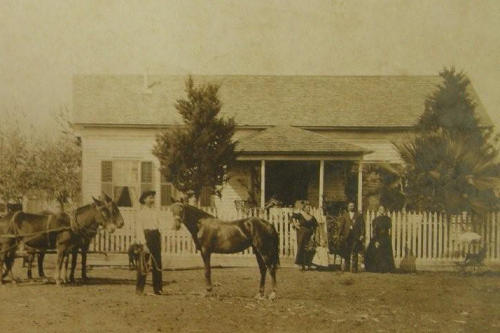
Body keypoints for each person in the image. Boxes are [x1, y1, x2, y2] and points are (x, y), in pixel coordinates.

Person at [135, 190, 163, 295]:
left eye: (153, 198)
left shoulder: (156, 212)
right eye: (150, 198)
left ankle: (158, 288)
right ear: (144, 199)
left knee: (157, 263)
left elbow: (159, 226)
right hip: (146, 237)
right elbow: (139, 229)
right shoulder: (141, 213)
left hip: (155, 237)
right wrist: (144, 243)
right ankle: (139, 289)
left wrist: (159, 237)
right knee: (144, 263)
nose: (152, 200)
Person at [365, 206, 395, 273]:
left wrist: (386, 238)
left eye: (383, 209)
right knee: (376, 252)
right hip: (377, 237)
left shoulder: (387, 219)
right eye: (380, 209)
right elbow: (374, 231)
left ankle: (386, 269)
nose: (382, 211)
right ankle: (377, 269)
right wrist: (376, 241)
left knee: (385, 253)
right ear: (378, 210)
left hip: (385, 238)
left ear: (385, 211)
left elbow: (388, 229)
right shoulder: (375, 220)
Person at [337, 201, 365, 273]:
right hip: (347, 236)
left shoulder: (358, 215)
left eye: (352, 206)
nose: (351, 207)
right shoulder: (345, 215)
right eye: (350, 206)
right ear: (348, 207)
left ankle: (354, 269)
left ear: (354, 207)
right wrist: (339, 234)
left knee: (355, 251)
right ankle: (346, 267)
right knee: (347, 251)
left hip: (355, 236)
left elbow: (362, 226)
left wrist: (362, 234)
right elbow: (342, 226)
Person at [292, 204, 318, 271]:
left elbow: (315, 226)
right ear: (304, 209)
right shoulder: (300, 215)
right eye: (307, 208)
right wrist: (295, 224)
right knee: (301, 247)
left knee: (308, 248)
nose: (308, 209)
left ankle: (307, 264)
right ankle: (300, 264)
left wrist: (314, 234)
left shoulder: (311, 217)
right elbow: (293, 216)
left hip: (309, 234)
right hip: (301, 233)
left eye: (309, 208)